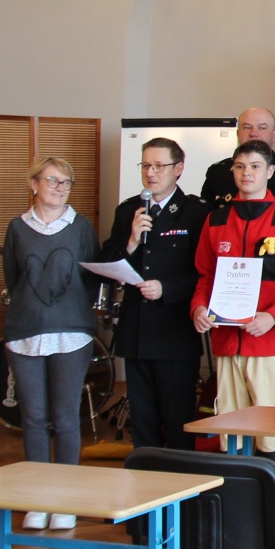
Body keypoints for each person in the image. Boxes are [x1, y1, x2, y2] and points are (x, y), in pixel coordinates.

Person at [192, 139, 275, 515]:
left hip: (270, 344)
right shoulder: (215, 221)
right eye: (240, 166)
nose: (247, 173)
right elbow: (205, 276)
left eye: (255, 166)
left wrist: (273, 316)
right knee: (230, 430)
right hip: (227, 344)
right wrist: (198, 308)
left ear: (270, 171)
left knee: (272, 431)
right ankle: (235, 509)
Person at [1, 156, 100, 530]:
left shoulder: (81, 227)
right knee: (33, 418)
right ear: (34, 184)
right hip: (24, 333)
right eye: (53, 181)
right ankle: (38, 499)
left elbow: (90, 277)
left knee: (66, 417)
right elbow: (13, 278)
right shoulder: (16, 228)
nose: (60, 188)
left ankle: (65, 500)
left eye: (66, 183)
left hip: (71, 333)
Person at [99, 137, 208, 451]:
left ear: (178, 169)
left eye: (159, 166)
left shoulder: (196, 213)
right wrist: (131, 241)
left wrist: (167, 288)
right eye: (146, 165)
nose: (151, 173)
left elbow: (207, 273)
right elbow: (107, 263)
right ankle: (146, 478)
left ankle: (181, 481)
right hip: (136, 331)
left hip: (175, 332)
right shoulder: (128, 210)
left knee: (178, 421)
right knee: (142, 423)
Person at [200, 106, 275, 213]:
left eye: (262, 128)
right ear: (238, 134)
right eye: (247, 127)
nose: (253, 133)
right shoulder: (217, 173)